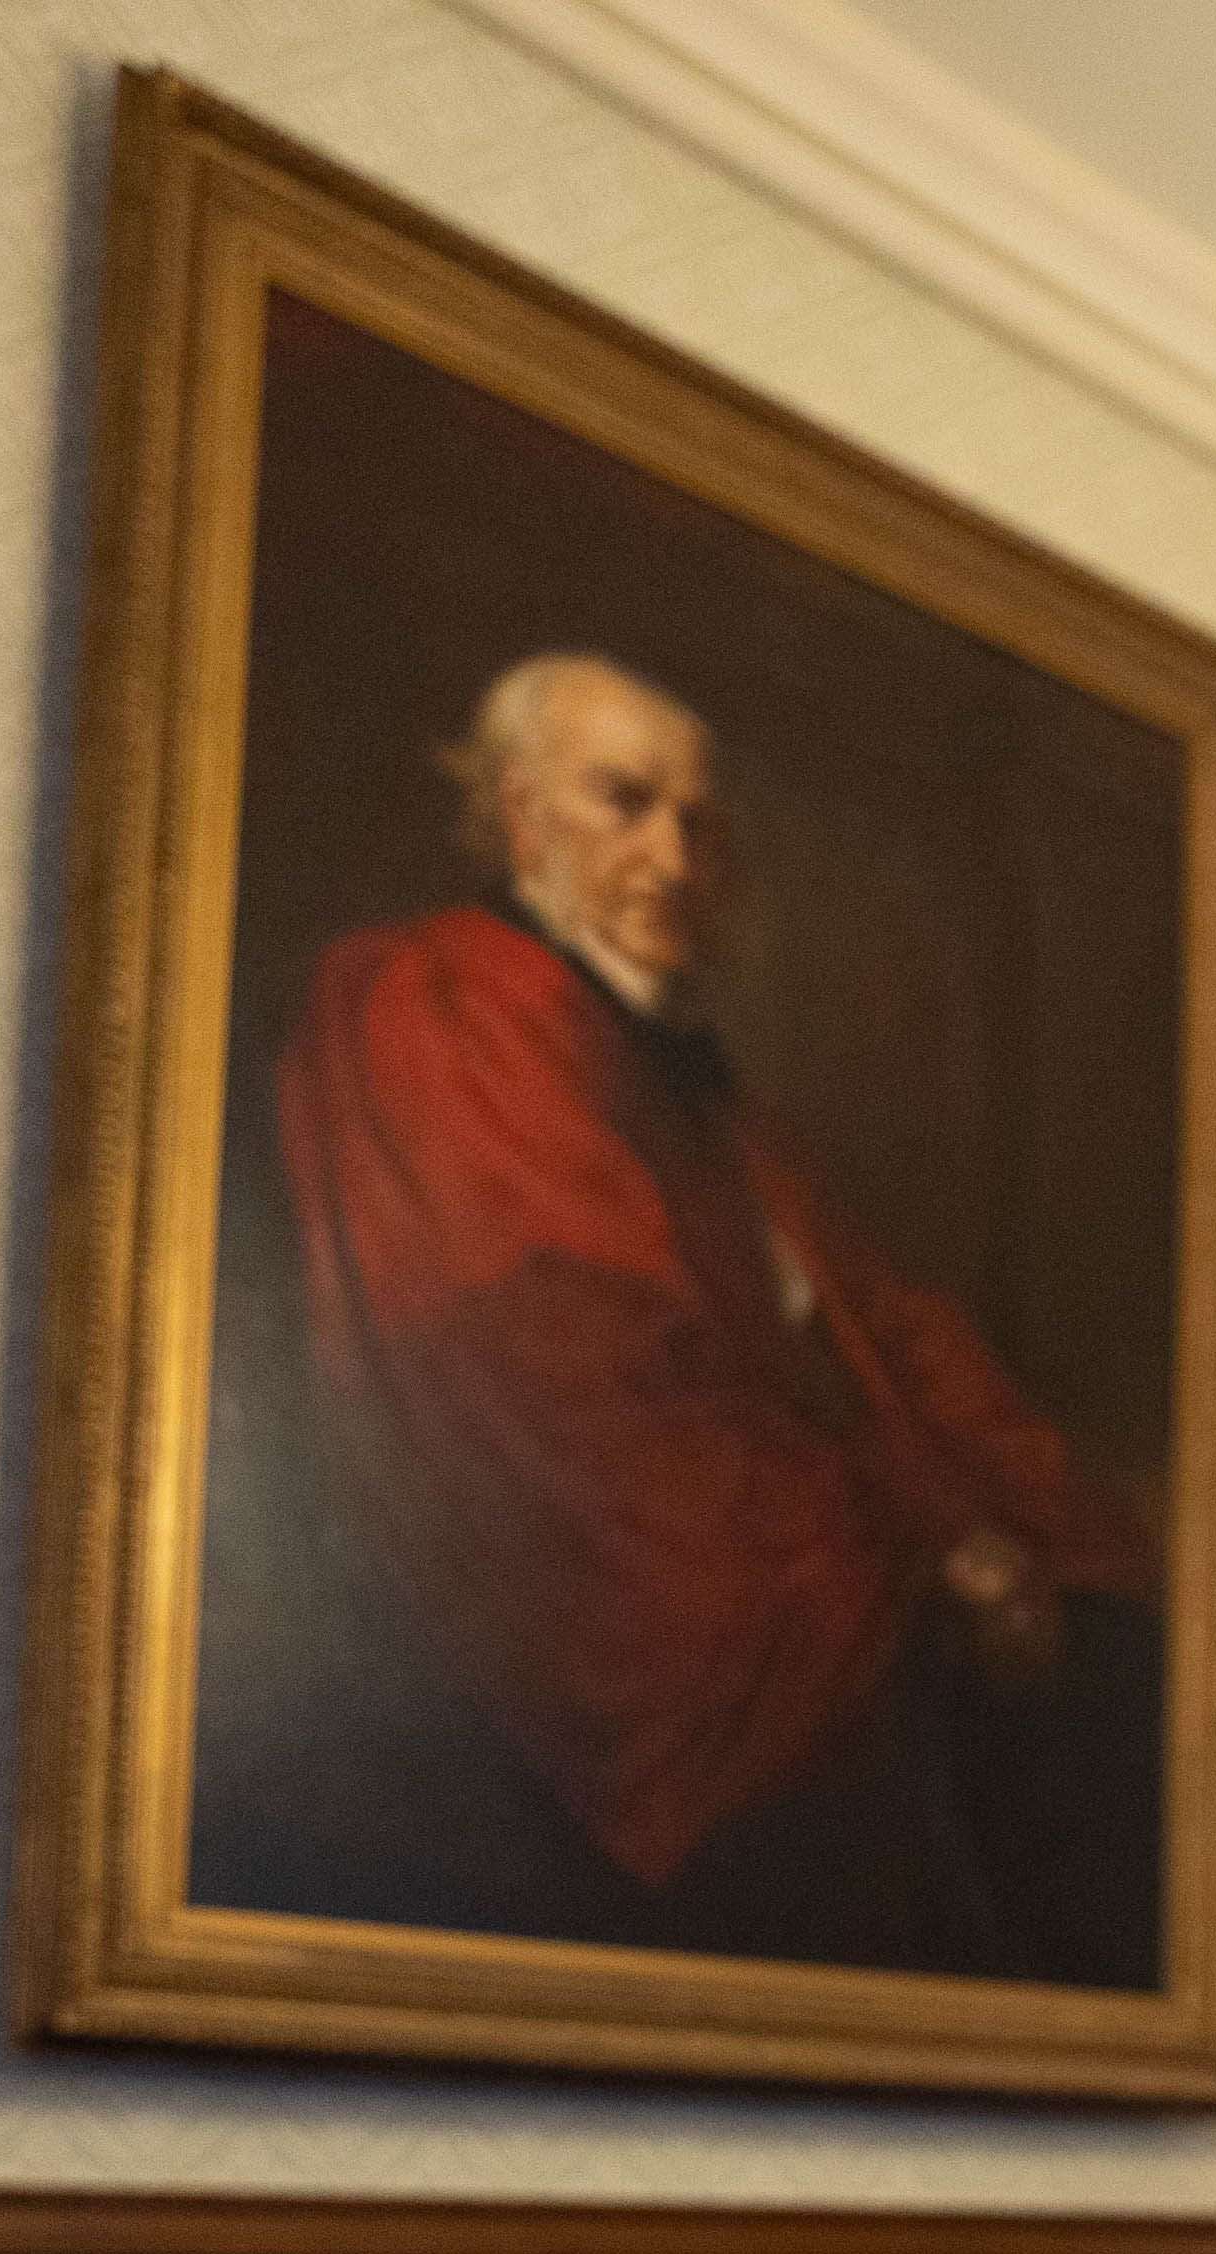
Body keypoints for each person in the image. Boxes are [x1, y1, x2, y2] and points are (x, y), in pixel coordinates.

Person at [264, 651, 1154, 1978]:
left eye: (698, 821)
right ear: (519, 818)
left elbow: (870, 1323)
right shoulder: (434, 1007)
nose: (675, 860)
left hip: (845, 1536)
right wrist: (933, 1554)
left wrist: (1039, 1528)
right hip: (681, 1624)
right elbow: (579, 1388)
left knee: (1136, 1684)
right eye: (623, 804)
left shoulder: (682, 1072)